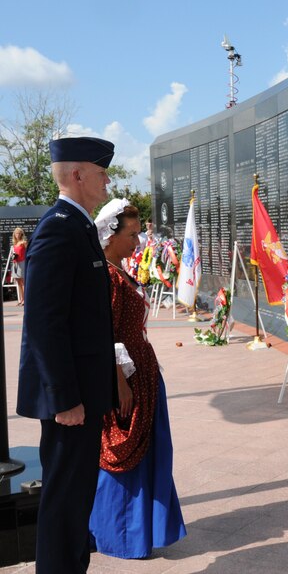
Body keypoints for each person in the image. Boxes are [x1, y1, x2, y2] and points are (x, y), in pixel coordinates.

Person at [16, 136, 118, 573]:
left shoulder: (77, 225)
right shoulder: (59, 226)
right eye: (101, 172)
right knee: (63, 506)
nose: (107, 180)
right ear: (77, 175)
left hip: (81, 394)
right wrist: (64, 398)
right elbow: (44, 321)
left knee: (76, 504)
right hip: (69, 399)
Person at [90, 199, 186, 558]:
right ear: (110, 236)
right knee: (127, 455)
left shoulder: (119, 270)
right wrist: (119, 381)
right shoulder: (107, 277)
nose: (137, 242)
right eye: (131, 235)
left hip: (142, 372)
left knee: (150, 453)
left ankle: (143, 531)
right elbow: (106, 333)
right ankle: (123, 536)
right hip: (127, 378)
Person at [11, 227, 28, 305]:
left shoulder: (23, 242)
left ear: (21, 234)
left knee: (23, 282)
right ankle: (21, 299)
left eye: (18, 233)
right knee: (18, 282)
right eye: (16, 233)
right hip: (15, 263)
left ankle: (25, 300)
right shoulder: (15, 243)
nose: (17, 234)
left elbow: (28, 251)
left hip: (22, 263)